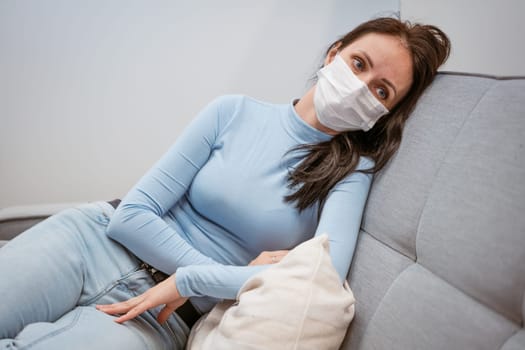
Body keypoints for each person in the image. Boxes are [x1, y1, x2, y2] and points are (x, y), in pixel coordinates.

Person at [0, 17, 450, 349]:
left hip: (166, 318)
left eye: (381, 90)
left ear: (384, 113)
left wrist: (188, 284)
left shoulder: (351, 175)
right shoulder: (232, 111)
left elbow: (318, 281)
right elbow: (131, 217)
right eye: (358, 63)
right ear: (333, 54)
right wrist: (209, 276)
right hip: (92, 240)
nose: (361, 85)